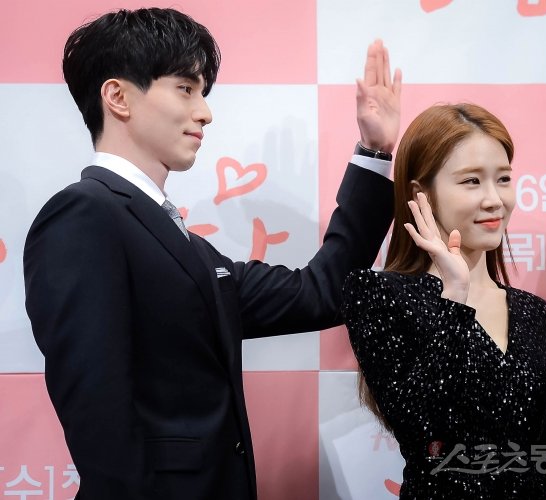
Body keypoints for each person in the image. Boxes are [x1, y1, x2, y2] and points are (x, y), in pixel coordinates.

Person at [22, 7, 402, 500]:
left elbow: (319, 293)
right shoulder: (83, 215)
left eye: (203, 92)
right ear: (117, 97)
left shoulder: (187, 245)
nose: (205, 112)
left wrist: (374, 153)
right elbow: (98, 418)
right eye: (185, 88)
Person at [342, 103, 546, 499]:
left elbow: (539, 462)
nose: (494, 199)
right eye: (471, 181)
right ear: (422, 194)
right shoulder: (380, 296)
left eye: (503, 179)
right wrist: (455, 296)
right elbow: (421, 429)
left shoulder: (543, 317)